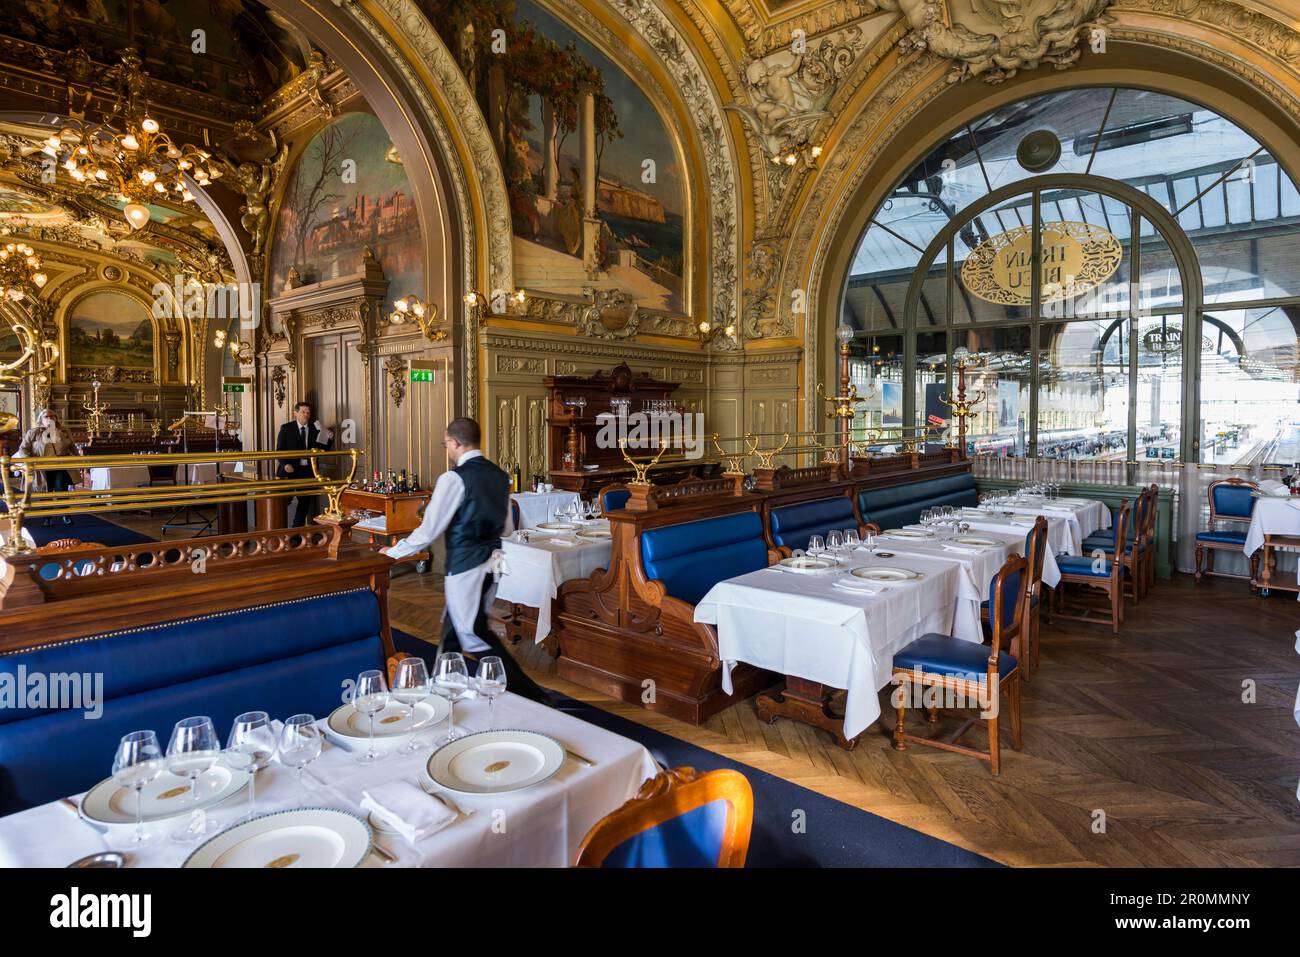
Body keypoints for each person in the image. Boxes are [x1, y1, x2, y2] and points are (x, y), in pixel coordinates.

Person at [380, 417, 552, 705]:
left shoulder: (453, 478)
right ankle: (443, 685)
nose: (447, 448)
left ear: (454, 442)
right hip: (495, 561)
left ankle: (533, 695)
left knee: (472, 633)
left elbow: (430, 529)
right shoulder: (499, 475)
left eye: (446, 443)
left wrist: (394, 552)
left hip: (466, 564)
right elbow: (507, 528)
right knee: (454, 625)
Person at [275, 401, 333, 528]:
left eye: (308, 412)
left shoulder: (315, 429)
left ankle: (296, 533)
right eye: (303, 412)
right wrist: (285, 465)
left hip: (307, 471)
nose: (306, 415)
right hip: (289, 471)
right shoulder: (286, 428)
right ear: (295, 413)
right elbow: (279, 450)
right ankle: (277, 529)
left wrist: (329, 438)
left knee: (304, 503)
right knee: (283, 500)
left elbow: (322, 449)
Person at [15, 409, 74, 526]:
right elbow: (23, 449)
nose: (50, 418)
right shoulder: (34, 432)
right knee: (45, 492)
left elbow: (72, 446)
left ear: (56, 418)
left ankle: (66, 515)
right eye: (46, 416)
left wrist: (78, 460)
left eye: (52, 416)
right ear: (41, 419)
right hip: (42, 467)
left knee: (62, 490)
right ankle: (47, 517)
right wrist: (29, 460)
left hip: (60, 465)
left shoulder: (64, 431)